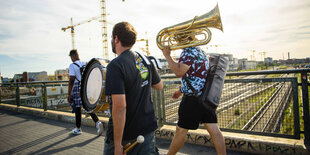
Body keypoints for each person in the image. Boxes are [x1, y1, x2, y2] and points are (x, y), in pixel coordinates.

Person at [104, 22, 163, 155]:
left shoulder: (115, 65)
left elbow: (120, 107)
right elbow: (159, 86)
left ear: (116, 39)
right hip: (147, 131)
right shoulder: (144, 59)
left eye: (112, 38)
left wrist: (118, 144)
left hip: (126, 136)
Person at [161, 37, 226, 155]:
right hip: (205, 97)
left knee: (180, 131)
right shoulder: (200, 51)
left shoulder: (187, 52)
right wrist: (181, 90)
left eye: (178, 39)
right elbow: (197, 75)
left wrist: (167, 56)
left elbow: (178, 72)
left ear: (185, 39)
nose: (176, 42)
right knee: (214, 131)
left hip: (192, 100)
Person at [67, 49, 104, 136]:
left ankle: (78, 128)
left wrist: (69, 93)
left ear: (72, 56)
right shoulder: (85, 63)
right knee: (87, 106)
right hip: (87, 86)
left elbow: (72, 79)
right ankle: (97, 122)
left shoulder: (72, 65)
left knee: (78, 108)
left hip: (77, 87)